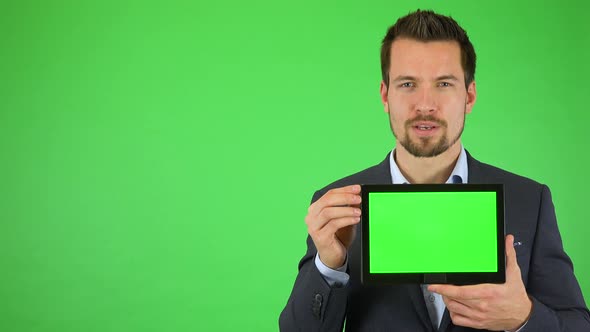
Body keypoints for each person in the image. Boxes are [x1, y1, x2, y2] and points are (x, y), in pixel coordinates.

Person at [279, 9, 590, 332]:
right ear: (386, 96)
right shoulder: (339, 208)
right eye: (408, 83)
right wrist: (329, 266)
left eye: (443, 83)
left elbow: (578, 324)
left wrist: (523, 316)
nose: (425, 104)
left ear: (469, 96)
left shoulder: (529, 201)